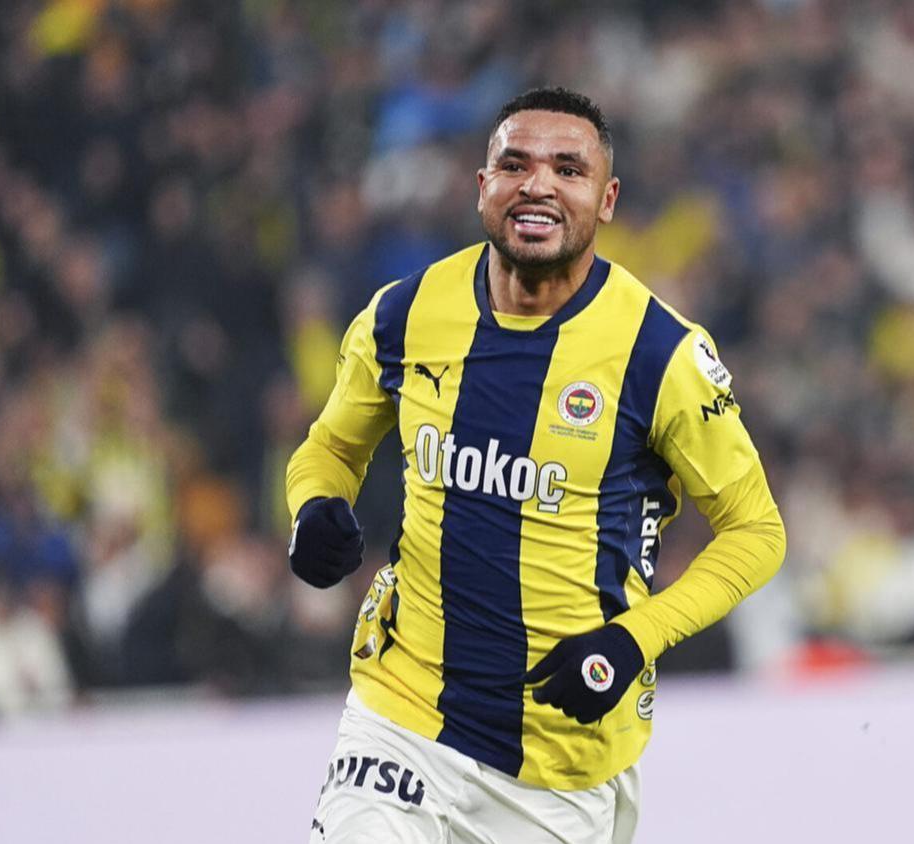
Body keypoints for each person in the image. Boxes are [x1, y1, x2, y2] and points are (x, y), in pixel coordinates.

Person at [286, 87, 786, 843]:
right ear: (482, 186)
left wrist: (634, 638)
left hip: (562, 761)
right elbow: (331, 447)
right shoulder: (403, 314)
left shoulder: (661, 354)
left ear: (607, 200)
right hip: (401, 715)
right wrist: (316, 506)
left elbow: (756, 531)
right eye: (514, 165)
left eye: (568, 169)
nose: (538, 185)